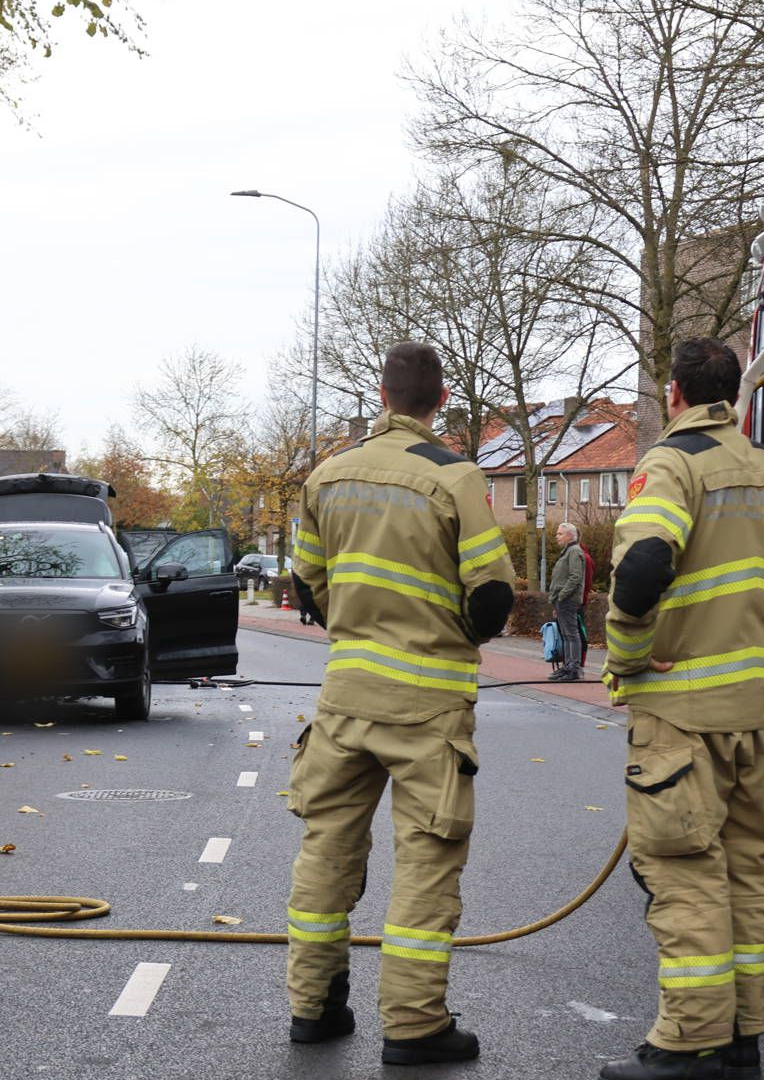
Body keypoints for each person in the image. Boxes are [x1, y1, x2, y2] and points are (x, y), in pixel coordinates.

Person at [599, 337, 764, 1080]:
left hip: (680, 718)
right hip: (751, 714)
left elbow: (642, 565)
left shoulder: (671, 466)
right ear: (732, 395)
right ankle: (742, 1038)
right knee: (746, 876)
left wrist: (628, 656)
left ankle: (689, 1043)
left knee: (684, 876)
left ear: (676, 394)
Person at [284, 341, 516, 1066]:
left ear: (381, 397)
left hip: (345, 699)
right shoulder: (455, 477)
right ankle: (414, 1026)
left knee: (326, 847)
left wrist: (356, 626)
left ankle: (314, 1008)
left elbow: (306, 585)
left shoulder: (326, 476)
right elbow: (492, 597)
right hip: (429, 707)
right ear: (440, 401)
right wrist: (450, 636)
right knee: (426, 861)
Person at [547, 522, 587, 681]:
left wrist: (562, 595)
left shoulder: (574, 551)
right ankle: (568, 665)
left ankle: (573, 668)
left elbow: (575, 577)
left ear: (570, 536)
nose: (557, 536)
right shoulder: (568, 551)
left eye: (560, 534)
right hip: (562, 600)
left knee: (571, 634)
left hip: (567, 600)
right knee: (566, 634)